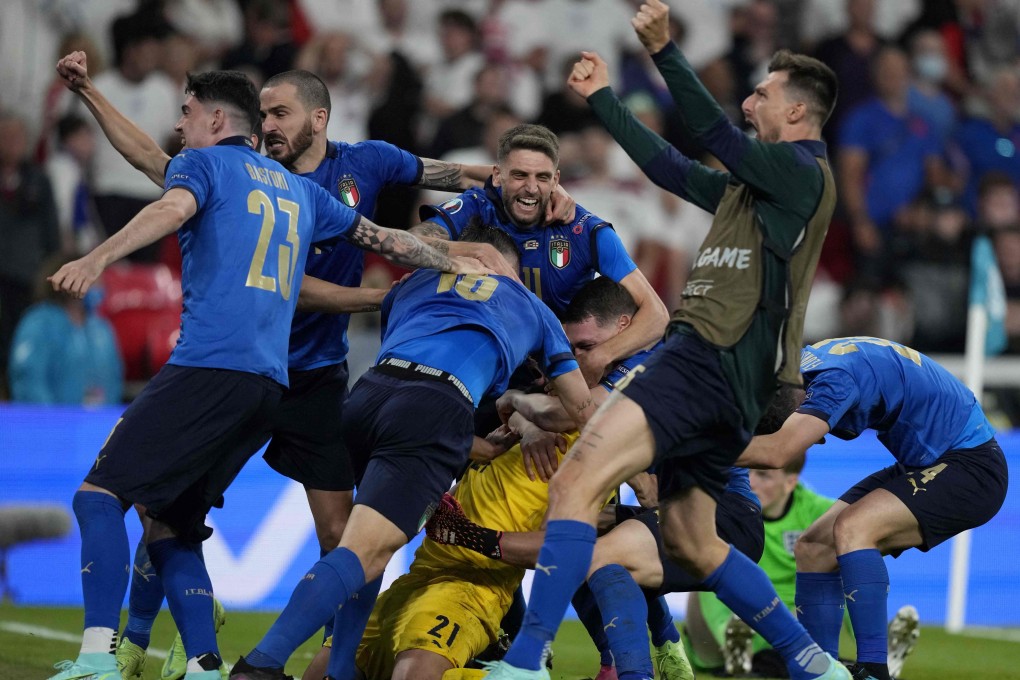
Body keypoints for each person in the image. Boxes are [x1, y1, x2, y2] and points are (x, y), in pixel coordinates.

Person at [54, 51, 537, 679]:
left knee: (138, 500)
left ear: (317, 117)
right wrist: (438, 266)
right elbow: (345, 260)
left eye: (281, 111)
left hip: (277, 374)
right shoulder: (290, 188)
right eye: (266, 113)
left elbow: (432, 178)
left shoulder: (336, 167)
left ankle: (317, 656)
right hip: (268, 374)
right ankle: (168, 649)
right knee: (170, 510)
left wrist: (495, 184)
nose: (271, 123)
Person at [481, 1, 844, 678]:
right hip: (729, 381)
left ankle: (525, 661)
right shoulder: (756, 191)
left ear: (797, 113)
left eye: (763, 92)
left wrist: (663, 50)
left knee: (577, 481)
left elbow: (713, 130)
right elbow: (672, 169)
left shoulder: (800, 172)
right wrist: (604, 100)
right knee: (693, 540)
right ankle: (816, 664)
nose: (749, 98)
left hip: (707, 355)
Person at [228, 221, 598, 680]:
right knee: (362, 552)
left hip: (367, 396)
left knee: (366, 544)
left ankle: (341, 670)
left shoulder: (414, 284)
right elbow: (581, 409)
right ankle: (261, 664)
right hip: (436, 402)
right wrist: (525, 408)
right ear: (508, 264)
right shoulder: (532, 306)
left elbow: (409, 364)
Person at [736, 337, 1008, 680]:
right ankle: (821, 672)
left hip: (971, 466)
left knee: (853, 528)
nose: (821, 438)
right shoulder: (810, 365)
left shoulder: (834, 382)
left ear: (797, 405)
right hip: (927, 461)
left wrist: (694, 452)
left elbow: (778, 452)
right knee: (814, 546)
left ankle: (874, 671)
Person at [416, 122, 669, 387]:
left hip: (550, 376)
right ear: (498, 175)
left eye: (542, 177)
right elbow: (415, 242)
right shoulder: (476, 206)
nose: (532, 188)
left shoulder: (586, 231)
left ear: (556, 180)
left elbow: (657, 316)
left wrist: (598, 357)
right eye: (520, 175)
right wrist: (478, 251)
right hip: (477, 361)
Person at [684, 458, 837, 676]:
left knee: (838, 570)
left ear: (790, 482)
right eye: (747, 472)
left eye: (763, 475)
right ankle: (732, 642)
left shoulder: (819, 513)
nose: (751, 482)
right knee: (702, 562)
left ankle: (873, 652)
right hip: (730, 624)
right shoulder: (727, 505)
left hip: (787, 622)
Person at [8, 252, 123, 405]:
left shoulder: (102, 328)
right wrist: (50, 422)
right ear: (69, 279)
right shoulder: (40, 323)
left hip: (97, 423)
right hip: (52, 423)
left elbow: (114, 378)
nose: (99, 286)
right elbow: (29, 379)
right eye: (93, 280)